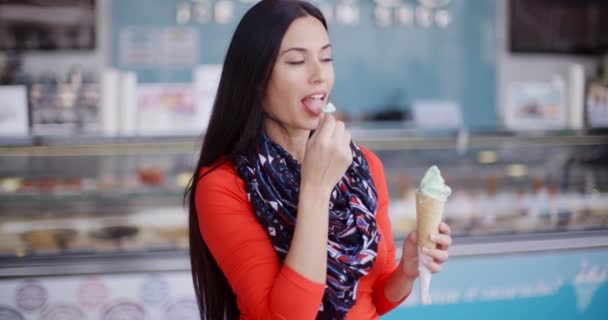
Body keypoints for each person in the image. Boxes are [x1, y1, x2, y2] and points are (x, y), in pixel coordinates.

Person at [185, 0, 452, 319]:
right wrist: (315, 187)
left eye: (326, 58)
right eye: (297, 61)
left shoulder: (363, 166)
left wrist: (406, 272)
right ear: (256, 79)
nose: (319, 75)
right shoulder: (222, 185)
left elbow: (373, 298)